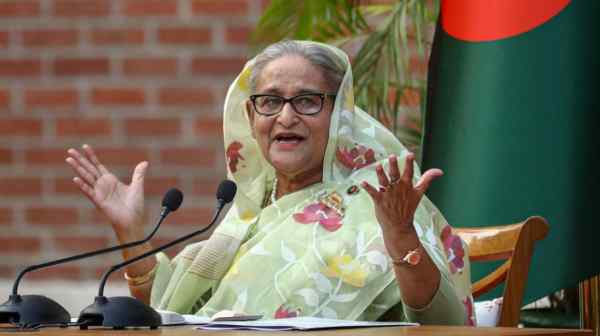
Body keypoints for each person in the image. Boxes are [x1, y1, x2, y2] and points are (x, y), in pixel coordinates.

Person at [66, 40, 474, 325]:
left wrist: (401, 236)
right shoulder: (245, 215)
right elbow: (169, 312)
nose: (285, 116)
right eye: (270, 101)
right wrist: (133, 235)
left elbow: (445, 325)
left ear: (340, 116)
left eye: (307, 100)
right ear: (251, 116)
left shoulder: (385, 198)